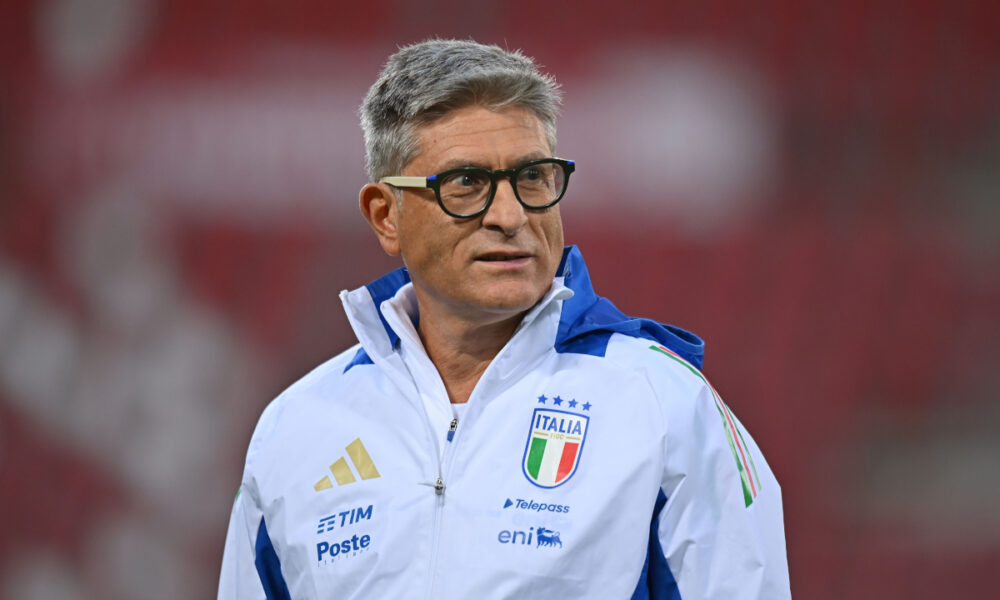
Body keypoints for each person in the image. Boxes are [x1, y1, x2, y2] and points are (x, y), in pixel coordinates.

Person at [218, 39, 790, 599]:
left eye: (533, 178)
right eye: (466, 184)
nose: (511, 216)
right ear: (385, 215)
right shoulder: (295, 427)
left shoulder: (664, 404)